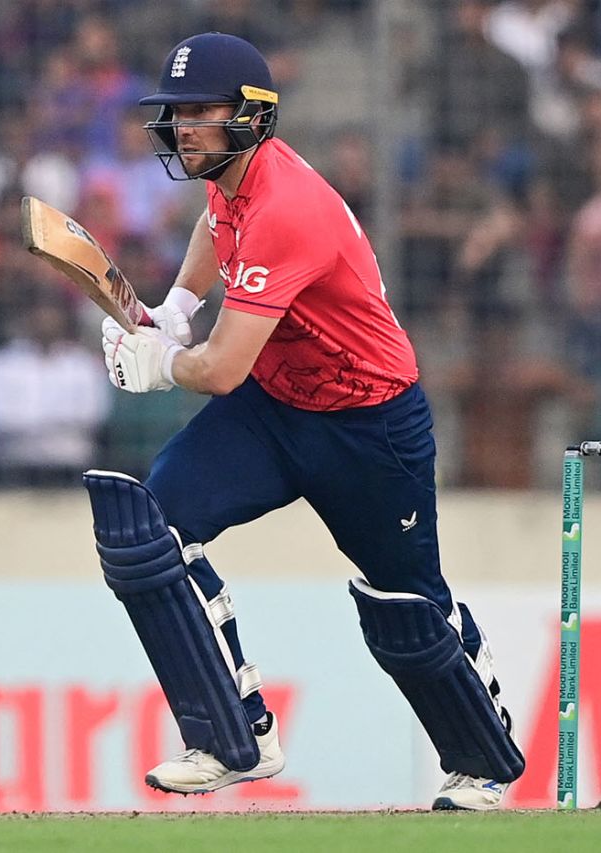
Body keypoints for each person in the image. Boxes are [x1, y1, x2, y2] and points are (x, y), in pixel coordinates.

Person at [91, 32, 525, 811]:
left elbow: (219, 371)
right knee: (151, 528)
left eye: (200, 112)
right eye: (175, 112)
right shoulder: (231, 177)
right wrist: (177, 309)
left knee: (406, 607)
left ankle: (482, 757)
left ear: (252, 117)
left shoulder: (289, 208)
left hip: (370, 424)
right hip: (278, 407)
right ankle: (235, 734)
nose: (182, 127)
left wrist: (160, 361)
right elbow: (212, 227)